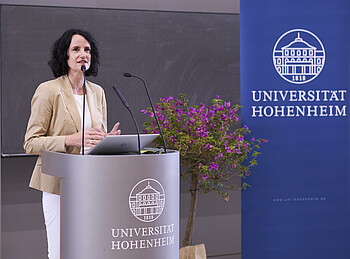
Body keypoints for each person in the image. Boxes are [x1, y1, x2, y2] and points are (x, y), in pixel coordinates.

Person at [23, 29, 121, 259]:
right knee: (60, 251)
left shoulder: (97, 93)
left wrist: (107, 141)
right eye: (75, 49)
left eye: (87, 49)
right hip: (59, 183)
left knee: (91, 250)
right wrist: (70, 140)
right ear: (64, 56)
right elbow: (30, 143)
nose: (83, 54)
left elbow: (96, 137)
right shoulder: (48, 91)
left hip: (93, 182)